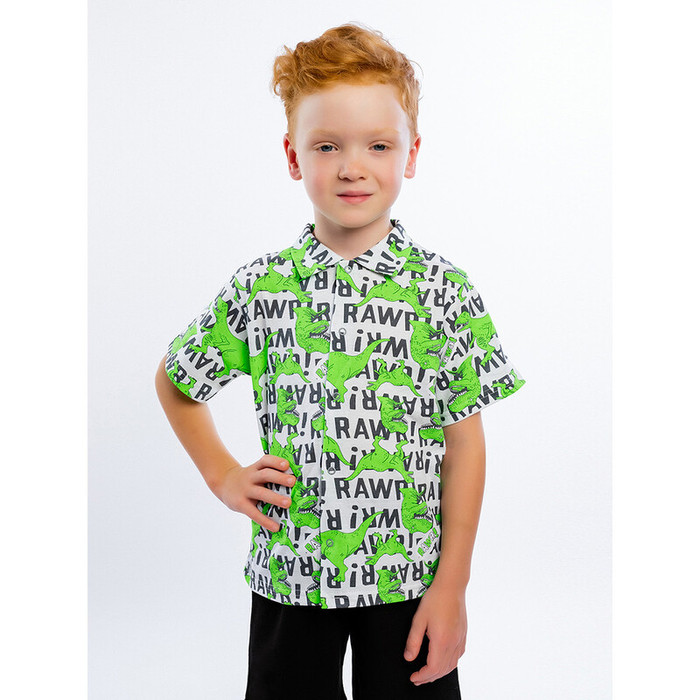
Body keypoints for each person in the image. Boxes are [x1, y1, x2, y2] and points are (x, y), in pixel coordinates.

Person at [155, 22, 525, 700]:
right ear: (294, 157)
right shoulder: (263, 287)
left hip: (408, 578)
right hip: (292, 574)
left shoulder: (441, 290)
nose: (353, 166)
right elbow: (178, 381)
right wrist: (223, 475)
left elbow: (465, 445)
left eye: (378, 145)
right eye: (328, 146)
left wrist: (453, 585)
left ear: (411, 154)